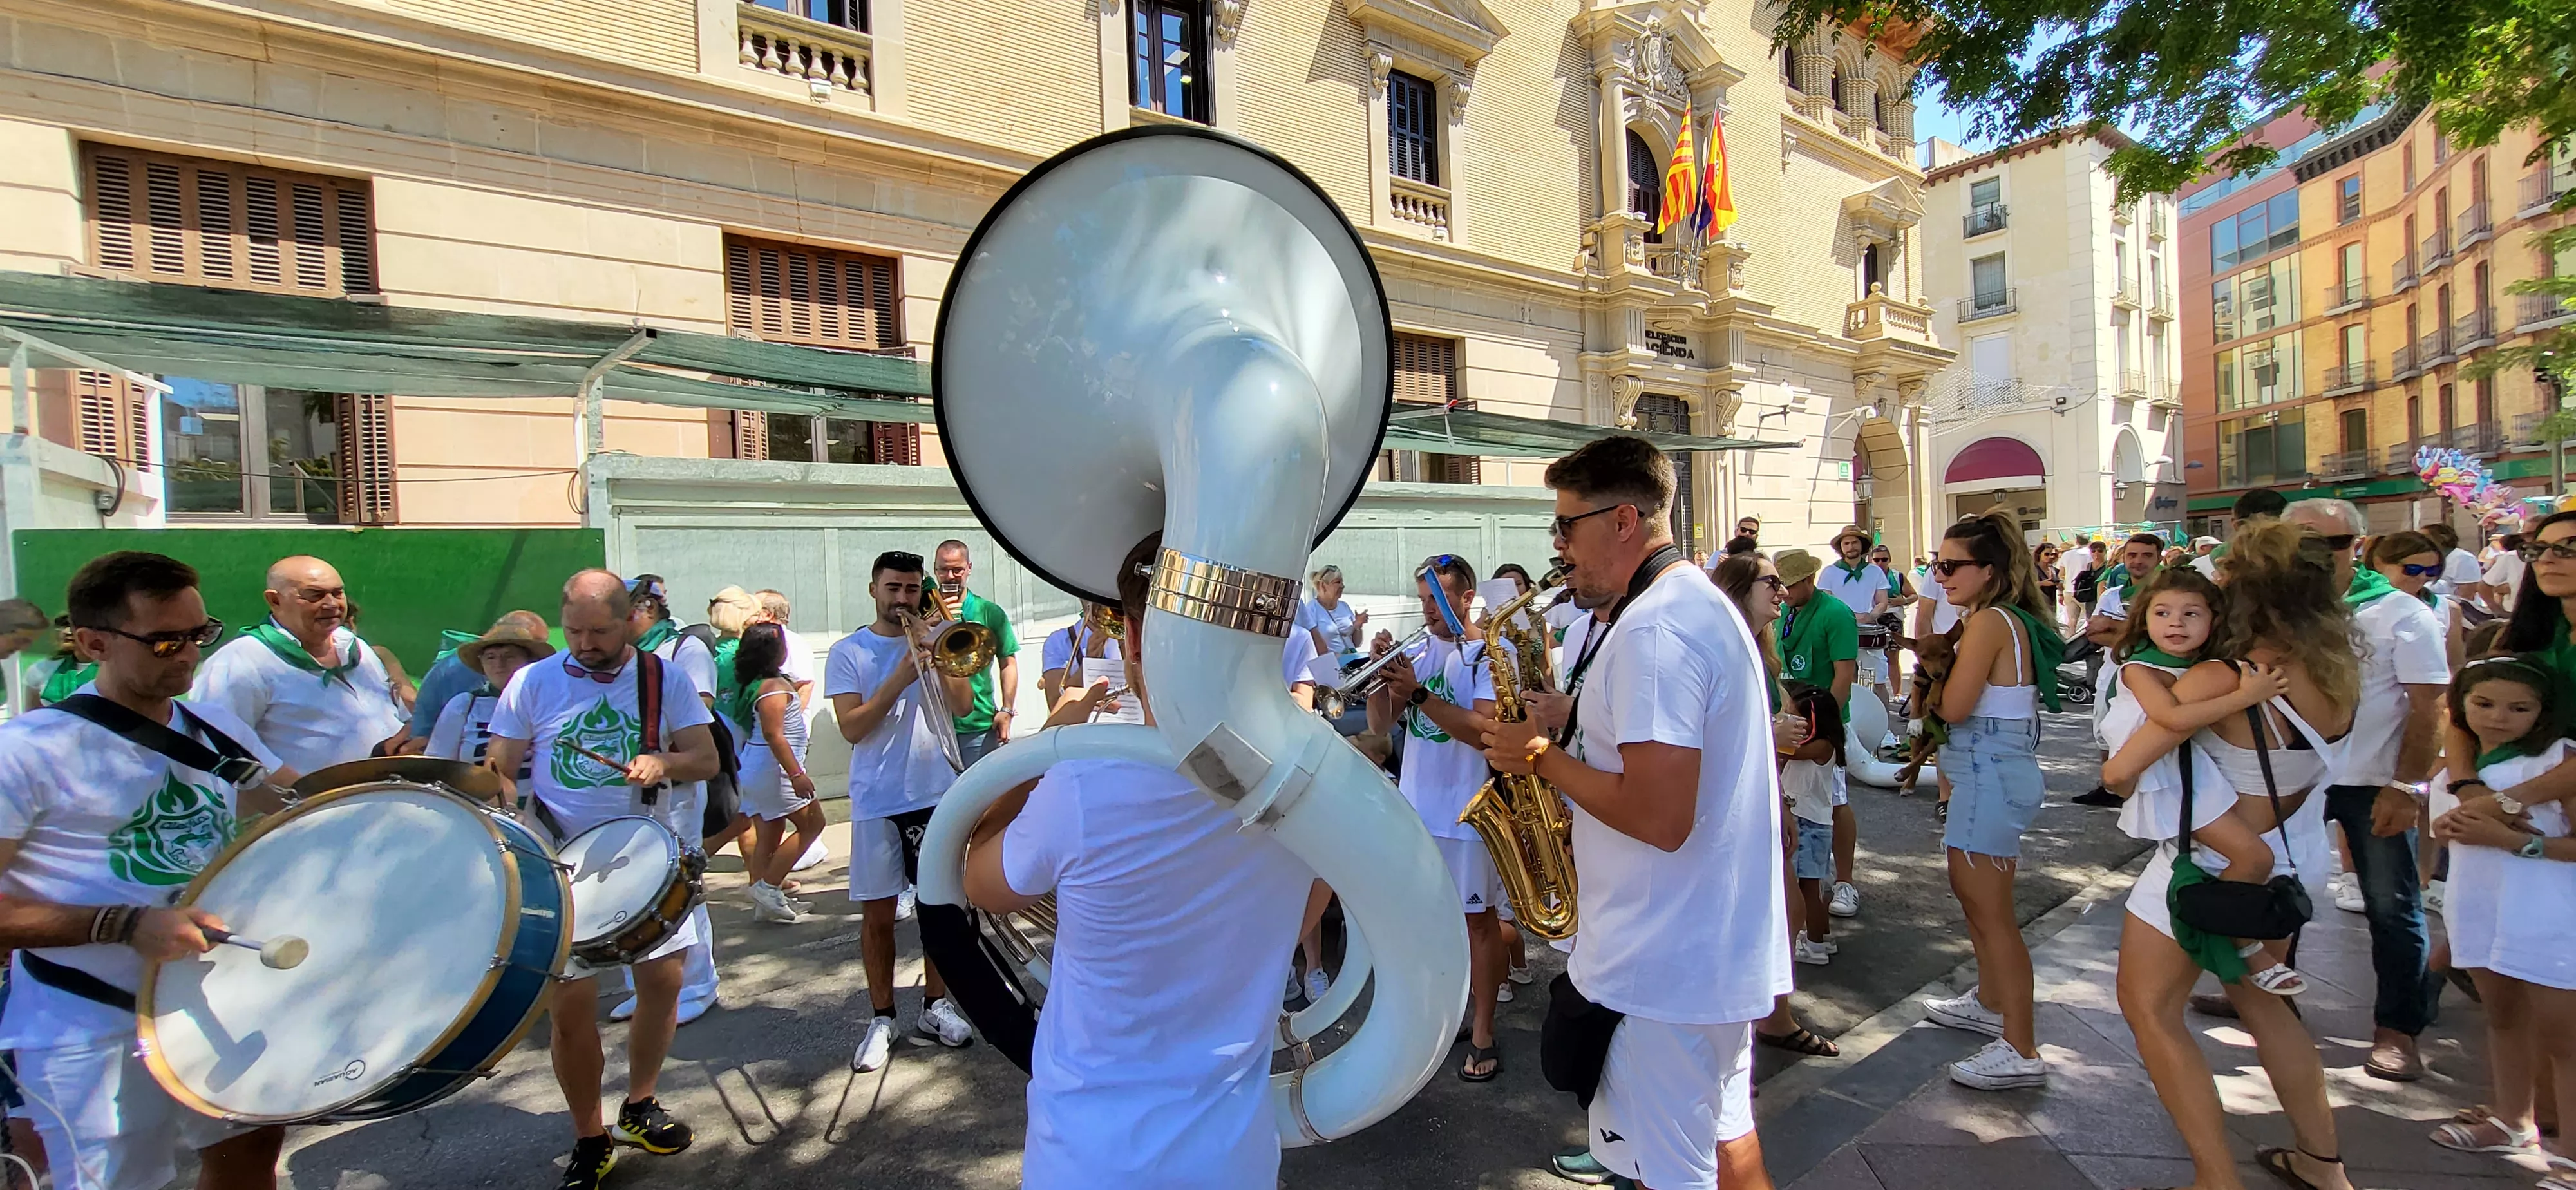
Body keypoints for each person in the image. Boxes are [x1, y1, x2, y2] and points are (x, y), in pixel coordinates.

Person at [1477, 435, 1789, 1190]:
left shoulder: (1654, 628)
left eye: (1565, 526)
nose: (1557, 548)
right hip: (1704, 952)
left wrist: (1539, 756)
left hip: (1659, 967)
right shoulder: (1689, 604)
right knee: (1728, 1151)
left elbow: (1659, 815)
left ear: (1622, 521)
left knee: (1667, 1176)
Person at [961, 531, 1311, 1189]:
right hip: (1232, 1159)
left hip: (1088, 1158)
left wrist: (1042, 747)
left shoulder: (1082, 784)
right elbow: (1289, 925)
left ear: (1132, 641)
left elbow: (981, 882)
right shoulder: (1311, 798)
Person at [0, 551, 294, 1190]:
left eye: (200, 633)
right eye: (165, 639)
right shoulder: (26, 753)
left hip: (217, 1001)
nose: (188, 654)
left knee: (249, 1161)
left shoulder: (212, 726)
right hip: (88, 1023)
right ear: (93, 642)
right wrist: (123, 923)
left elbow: (296, 807)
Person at [2107, 519, 2360, 1190]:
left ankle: (2216, 1176)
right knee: (2264, 1005)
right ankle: (2322, 1164)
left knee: (2149, 1008)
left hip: (2208, 866)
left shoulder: (2227, 674)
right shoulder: (2337, 666)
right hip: (2291, 853)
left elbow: (2122, 772)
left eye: (2222, 577)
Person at [2294, 519, 2449, 1079]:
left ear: (2355, 547)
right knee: (2279, 886)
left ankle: (2398, 1029)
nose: (2315, 554)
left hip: (2371, 781)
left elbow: (2431, 704)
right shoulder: (2283, 606)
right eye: (2302, 542)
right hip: (2294, 776)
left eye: (2330, 542)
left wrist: (2408, 787)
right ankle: (2267, 993)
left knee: (2391, 905)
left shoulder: (2402, 613)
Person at [1920, 511, 2063, 1091]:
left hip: (1987, 774)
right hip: (1992, 772)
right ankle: (1991, 1001)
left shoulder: (1987, 625)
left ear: (1991, 570)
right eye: (1938, 564)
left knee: (1993, 914)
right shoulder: (2005, 619)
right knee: (1979, 902)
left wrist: (1930, 689)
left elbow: (1952, 709)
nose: (1941, 575)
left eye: (1951, 566)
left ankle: (2020, 1045)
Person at [826, 551, 979, 1072]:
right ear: (874, 590)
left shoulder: (935, 643)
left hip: (935, 792)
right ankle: (882, 1017)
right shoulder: (850, 652)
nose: (903, 600)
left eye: (912, 590)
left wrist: (942, 652)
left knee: (939, 909)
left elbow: (962, 708)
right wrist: (903, 672)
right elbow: (852, 728)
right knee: (878, 917)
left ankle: (936, 1006)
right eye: (893, 589)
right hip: (876, 798)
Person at [1365, 555, 1504, 1082]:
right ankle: (1435, 1020)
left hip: (1468, 813)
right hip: (1417, 810)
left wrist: (1418, 693)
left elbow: (1484, 732)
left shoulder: (1491, 653)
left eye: (1439, 599)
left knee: (1477, 924)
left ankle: (1485, 1026)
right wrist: (1383, 680)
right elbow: (1380, 725)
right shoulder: (1418, 651)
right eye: (1423, 599)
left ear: (1466, 598)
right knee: (1425, 924)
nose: (1429, 610)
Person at [1709, 552, 1839, 1060]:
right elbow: (1707, 735)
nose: (1782, 592)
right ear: (1740, 589)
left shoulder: (1760, 651)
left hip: (1761, 798)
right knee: (1773, 911)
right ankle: (1751, 1025)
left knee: (1787, 908)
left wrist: (1782, 803)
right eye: (1771, 583)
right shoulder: (1726, 648)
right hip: (1732, 807)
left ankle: (1771, 1017)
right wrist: (1772, 730)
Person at [189, 555, 405, 775]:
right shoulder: (240, 661)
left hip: (388, 795)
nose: (332, 604)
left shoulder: (356, 646)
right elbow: (220, 749)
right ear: (275, 600)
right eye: (315, 595)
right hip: (308, 805)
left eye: (337, 593)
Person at [625, 575, 726, 1028]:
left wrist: (657, 754)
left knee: (681, 886)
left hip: (676, 788)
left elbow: (698, 707)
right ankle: (641, 987)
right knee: (632, 888)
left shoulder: (684, 650)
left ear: (647, 608)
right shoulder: (623, 660)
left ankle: (698, 983)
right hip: (631, 791)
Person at [733, 622, 822, 925]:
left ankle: (765, 901)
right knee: (813, 824)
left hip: (765, 769)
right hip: (774, 771)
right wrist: (796, 774)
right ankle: (768, 887)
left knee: (770, 833)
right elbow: (775, 736)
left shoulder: (767, 683)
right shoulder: (771, 688)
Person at [423, 614, 553, 786]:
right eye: (490, 657)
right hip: (475, 807)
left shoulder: (552, 703)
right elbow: (437, 766)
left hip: (541, 809)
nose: (499, 664)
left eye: (509, 656)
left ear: (530, 662)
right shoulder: (464, 705)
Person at [931, 540, 1021, 766]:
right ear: (935, 570)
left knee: (982, 800)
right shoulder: (923, 611)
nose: (950, 576)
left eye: (957, 569)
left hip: (977, 726)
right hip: (930, 727)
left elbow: (1008, 663)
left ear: (969, 568)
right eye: (943, 569)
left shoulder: (989, 612)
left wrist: (1007, 709)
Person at [1779, 681, 1844, 967]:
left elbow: (1787, 751)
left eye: (1793, 716)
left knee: (1806, 887)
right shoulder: (1821, 744)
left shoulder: (1821, 745)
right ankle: (1821, 937)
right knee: (1811, 885)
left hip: (1807, 823)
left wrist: (1774, 734)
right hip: (1812, 821)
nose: (1787, 720)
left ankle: (1814, 944)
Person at [1296, 564, 1368, 661]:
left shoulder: (1344, 606)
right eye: (1337, 582)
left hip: (1351, 661)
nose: (1342, 586)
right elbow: (1308, 646)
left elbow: (1357, 644)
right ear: (1323, 586)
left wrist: (1358, 627)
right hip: (1331, 665)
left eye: (1342, 582)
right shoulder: (1311, 609)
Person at [2424, 522, 2488, 607]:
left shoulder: (2463, 558)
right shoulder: (2429, 558)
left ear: (2440, 539)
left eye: (2424, 537)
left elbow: (2467, 595)